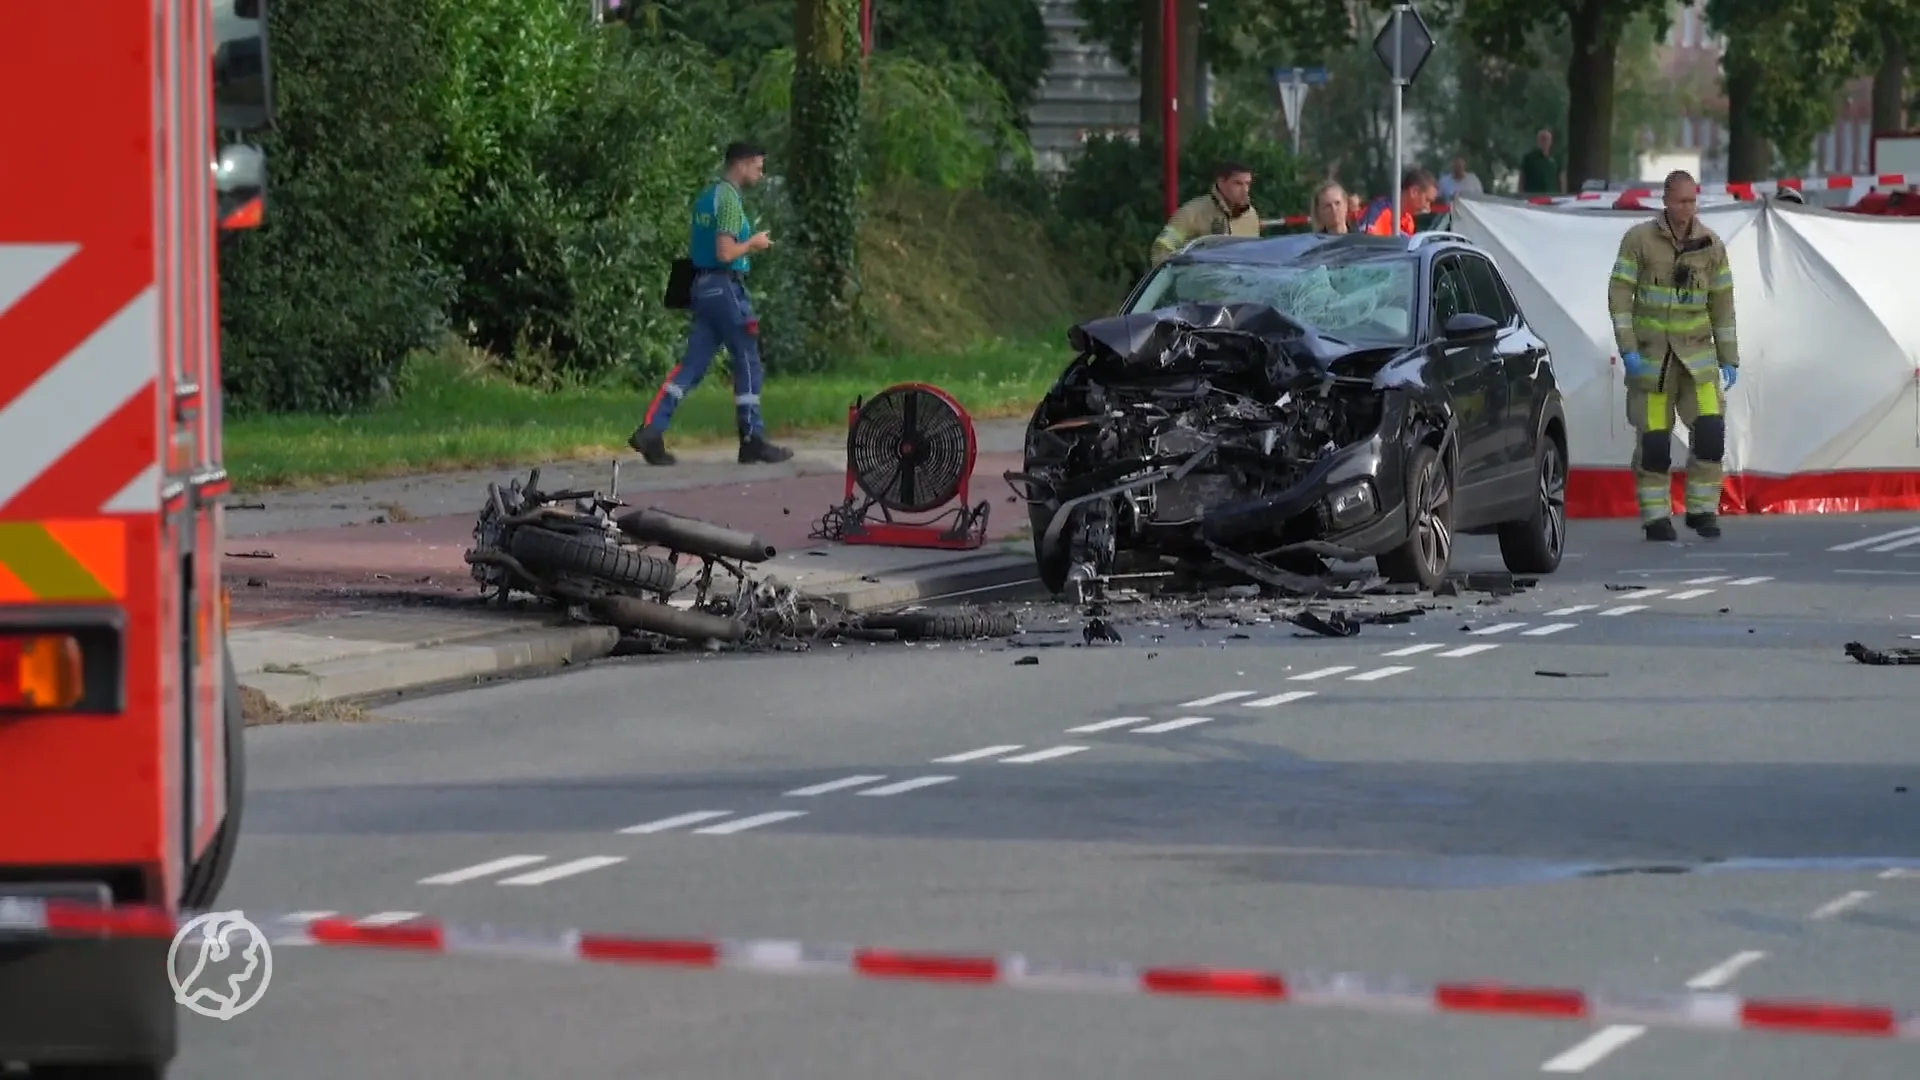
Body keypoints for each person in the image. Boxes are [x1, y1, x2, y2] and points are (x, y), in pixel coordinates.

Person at [630, 140, 794, 466]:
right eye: (758, 167)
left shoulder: (707, 197)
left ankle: (651, 429)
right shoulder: (729, 200)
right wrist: (753, 243)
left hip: (701, 288)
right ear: (741, 164)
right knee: (748, 359)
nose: (760, 174)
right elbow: (725, 252)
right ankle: (752, 438)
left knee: (692, 365)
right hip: (725, 287)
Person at [1606, 170, 1739, 541]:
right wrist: (1628, 348)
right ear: (1665, 200)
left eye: (1693, 200)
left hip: (1699, 361)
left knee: (1711, 434)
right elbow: (1619, 295)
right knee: (1654, 444)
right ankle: (1656, 518)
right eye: (1681, 200)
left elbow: (1723, 305)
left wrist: (1729, 357)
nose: (1688, 207)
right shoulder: (1639, 240)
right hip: (1653, 362)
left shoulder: (1711, 245)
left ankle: (1702, 511)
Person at [1150, 161, 1261, 265]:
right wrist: (1176, 274)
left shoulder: (1250, 215)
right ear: (1221, 182)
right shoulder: (1192, 212)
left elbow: (1254, 255)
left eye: (1248, 184)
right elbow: (1163, 247)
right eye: (1238, 183)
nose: (1245, 190)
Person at [1361, 168, 1436, 236]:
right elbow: (1364, 243)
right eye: (1427, 200)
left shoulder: (1408, 221)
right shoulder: (1376, 211)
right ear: (1414, 192)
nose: (1427, 207)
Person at [1520, 129, 1560, 196]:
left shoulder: (1556, 158)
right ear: (1538, 141)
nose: (1544, 142)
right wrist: (1521, 194)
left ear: (1551, 141)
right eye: (1542, 139)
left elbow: (1560, 178)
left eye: (1547, 139)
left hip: (1552, 196)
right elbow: (1522, 178)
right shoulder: (1529, 158)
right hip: (1533, 196)